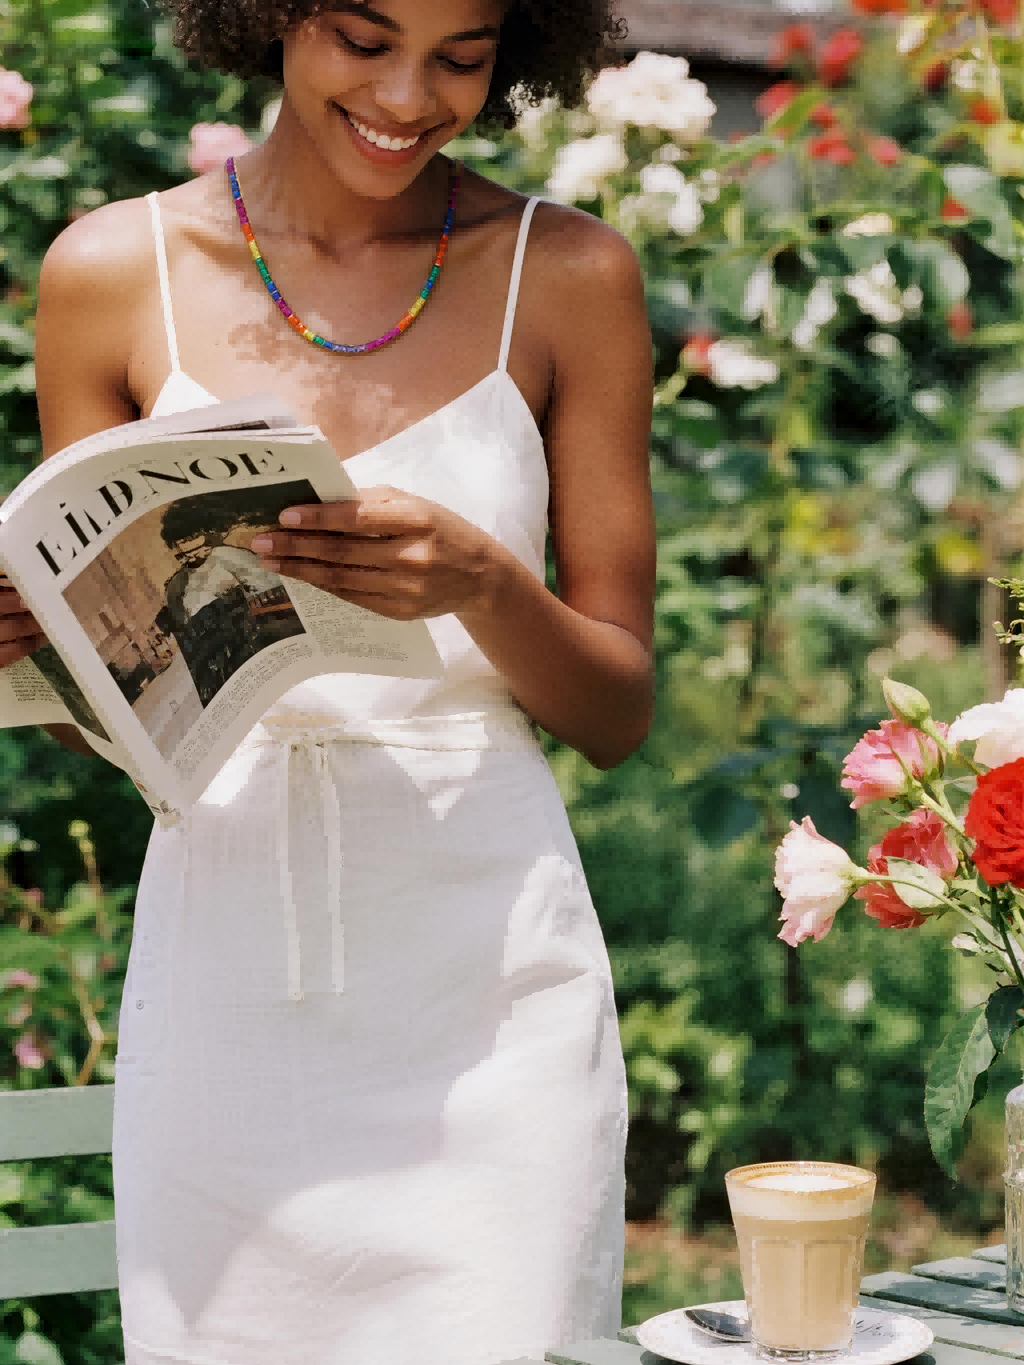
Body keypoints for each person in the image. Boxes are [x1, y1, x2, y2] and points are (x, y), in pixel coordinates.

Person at [3, 0, 656, 1359]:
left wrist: (486, 586)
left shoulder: (568, 273)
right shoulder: (113, 270)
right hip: (227, 960)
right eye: (364, 40)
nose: (409, 97)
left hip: (491, 980)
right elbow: (121, 729)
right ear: (272, 14)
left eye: (463, 57)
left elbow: (617, 711)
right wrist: (42, 659)